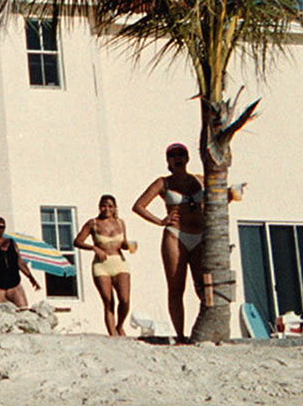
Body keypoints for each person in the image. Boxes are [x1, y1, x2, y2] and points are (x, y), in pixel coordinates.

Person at [132, 142, 208, 342]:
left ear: (187, 158)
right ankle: (181, 335)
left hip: (199, 235)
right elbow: (138, 206)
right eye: (173, 156)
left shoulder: (200, 180)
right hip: (175, 235)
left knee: (204, 286)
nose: (178, 158)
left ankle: (205, 329)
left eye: (181, 155)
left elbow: (218, 199)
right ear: (168, 161)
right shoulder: (163, 183)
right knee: (176, 287)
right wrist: (160, 221)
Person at [73, 194, 136, 335]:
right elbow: (77, 241)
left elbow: (123, 243)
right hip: (102, 265)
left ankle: (120, 325)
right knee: (108, 301)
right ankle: (112, 334)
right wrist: (94, 248)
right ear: (99, 207)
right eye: (103, 205)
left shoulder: (120, 223)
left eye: (109, 206)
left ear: (114, 208)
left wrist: (128, 245)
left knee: (125, 300)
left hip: (119, 262)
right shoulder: (93, 223)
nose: (106, 209)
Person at [0, 217, 39, 308]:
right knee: (0, 313)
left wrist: (31, 277)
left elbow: (20, 262)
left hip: (14, 284)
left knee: (23, 310)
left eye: (1, 227)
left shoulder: (11, 242)